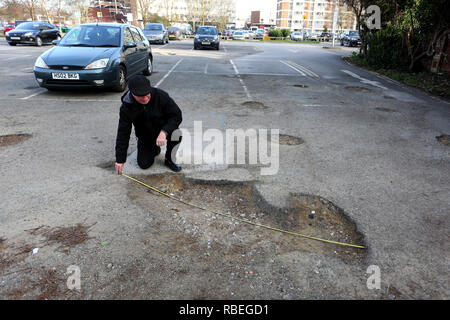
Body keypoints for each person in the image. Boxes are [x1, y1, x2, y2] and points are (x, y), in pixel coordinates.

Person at [115, 75, 182, 174]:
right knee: (144, 164)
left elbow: (177, 115)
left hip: (162, 129)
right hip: (145, 135)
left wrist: (164, 132)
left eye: (147, 94)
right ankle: (154, 148)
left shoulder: (161, 96)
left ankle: (169, 160)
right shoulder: (126, 108)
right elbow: (123, 133)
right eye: (141, 96)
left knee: (177, 134)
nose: (146, 98)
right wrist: (120, 160)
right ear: (132, 94)